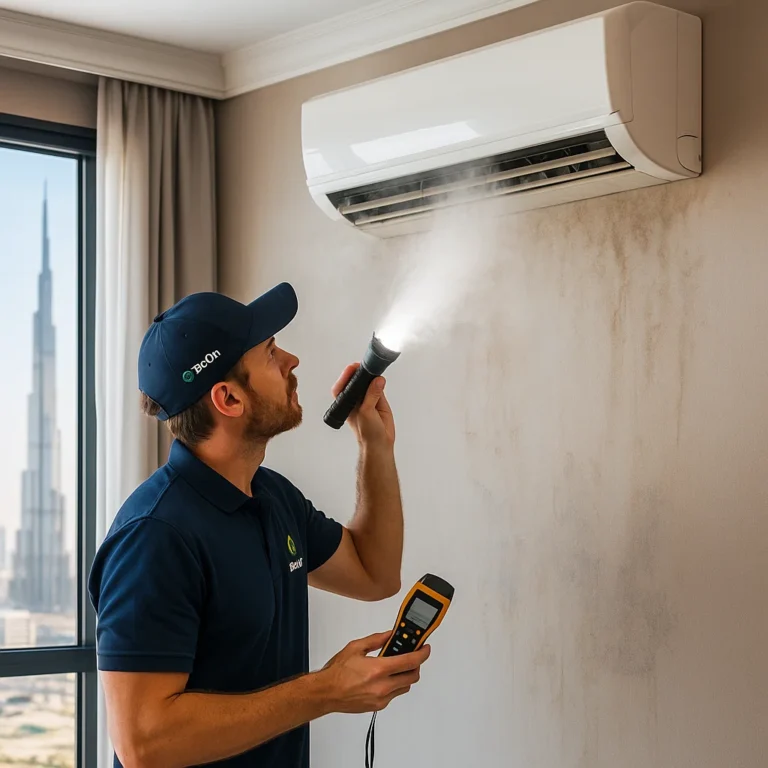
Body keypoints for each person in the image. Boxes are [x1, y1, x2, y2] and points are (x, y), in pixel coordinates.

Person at [87, 282, 430, 768]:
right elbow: (143, 742)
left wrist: (376, 445)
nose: (291, 360)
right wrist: (325, 691)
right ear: (228, 399)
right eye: (270, 354)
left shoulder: (272, 497)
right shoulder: (155, 536)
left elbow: (374, 574)